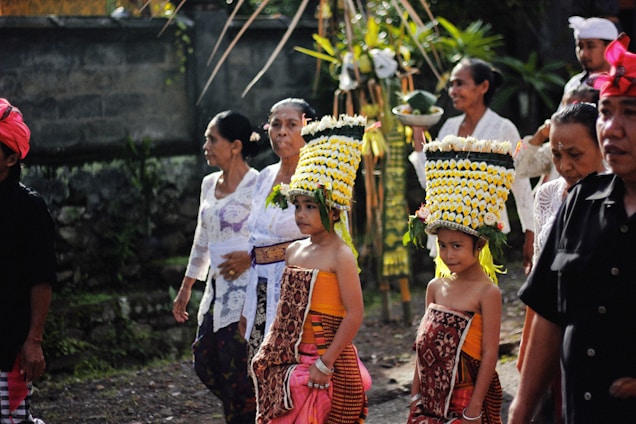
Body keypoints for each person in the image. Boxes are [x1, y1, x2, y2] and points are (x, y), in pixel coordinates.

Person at [508, 33, 636, 424]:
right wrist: (521, 410)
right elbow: (548, 314)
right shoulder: (579, 202)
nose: (612, 128)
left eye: (630, 112)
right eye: (606, 111)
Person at [251, 114, 371, 423]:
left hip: (327, 357)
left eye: (310, 206)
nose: (301, 215)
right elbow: (285, 313)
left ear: (332, 211)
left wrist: (326, 363)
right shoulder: (295, 251)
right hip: (294, 357)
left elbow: (354, 313)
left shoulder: (341, 255)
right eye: (298, 206)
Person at [404, 135, 515, 423]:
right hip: (428, 397)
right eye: (443, 246)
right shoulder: (435, 287)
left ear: (479, 245)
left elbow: (490, 354)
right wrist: (416, 394)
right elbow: (422, 346)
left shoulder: (487, 292)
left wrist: (475, 407)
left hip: (466, 396)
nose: (448, 254)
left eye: (457, 246)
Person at [515, 102, 606, 424]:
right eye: (556, 155)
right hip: (550, 332)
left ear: (603, 146)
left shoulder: (620, 200)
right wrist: (527, 349)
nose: (565, 165)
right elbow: (541, 282)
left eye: (575, 154)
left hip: (599, 342)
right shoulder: (549, 195)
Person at [171, 110, 260, 423]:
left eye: (212, 139)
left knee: (235, 364)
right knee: (205, 360)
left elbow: (269, 235)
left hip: (247, 286)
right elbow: (202, 238)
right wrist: (186, 288)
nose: (205, 145)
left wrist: (249, 256)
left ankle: (249, 414)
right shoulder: (208, 184)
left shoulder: (258, 184)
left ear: (235, 145)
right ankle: (254, 409)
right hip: (216, 287)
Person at [408, 58, 535, 271]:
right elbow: (428, 181)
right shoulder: (449, 126)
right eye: (451, 84)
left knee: (478, 296)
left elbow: (521, 187)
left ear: (483, 86)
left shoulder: (503, 128)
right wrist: (418, 130)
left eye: (460, 83)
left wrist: (531, 235)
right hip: (446, 232)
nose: (452, 90)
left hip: (483, 232)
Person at [240, 98, 318, 364]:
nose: (282, 131)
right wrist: (248, 305)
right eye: (276, 124)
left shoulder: (318, 178)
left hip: (302, 292)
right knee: (259, 368)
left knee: (294, 374)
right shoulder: (263, 177)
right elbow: (254, 243)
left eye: (291, 124)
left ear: (308, 129)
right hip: (261, 288)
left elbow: (335, 240)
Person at [0, 98, 56, 424]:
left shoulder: (28, 208)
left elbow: (41, 276)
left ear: (10, 158)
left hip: (8, 342)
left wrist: (33, 340)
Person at [561, 16, 618, 107]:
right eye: (580, 46)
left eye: (590, 46)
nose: (583, 54)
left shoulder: (628, 83)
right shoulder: (574, 84)